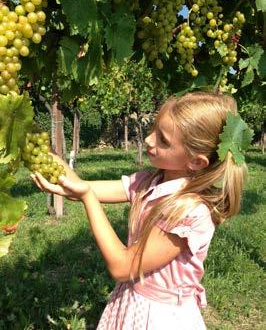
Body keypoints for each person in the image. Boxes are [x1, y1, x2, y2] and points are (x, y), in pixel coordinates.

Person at [31, 91, 249, 329]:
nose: (148, 140)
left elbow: (122, 266)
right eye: (154, 128)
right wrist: (41, 149)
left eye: (163, 140)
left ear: (196, 162)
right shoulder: (149, 182)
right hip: (132, 302)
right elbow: (81, 186)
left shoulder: (190, 212)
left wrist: (87, 198)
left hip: (160, 318)